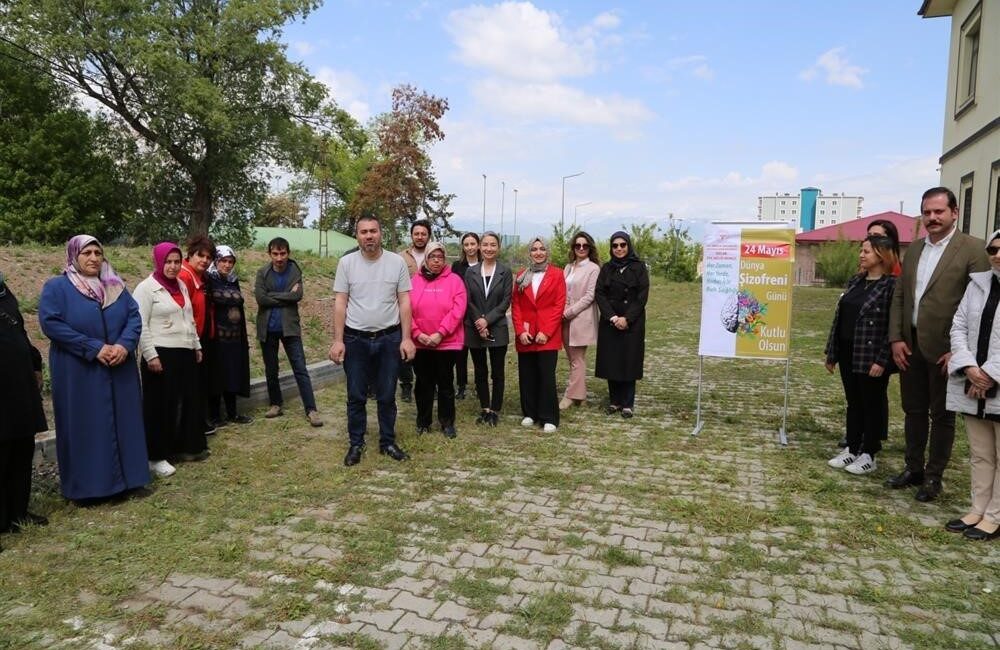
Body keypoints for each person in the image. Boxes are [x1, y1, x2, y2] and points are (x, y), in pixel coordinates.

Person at [887, 187, 990, 501]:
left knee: (942, 415)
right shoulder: (915, 249)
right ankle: (913, 467)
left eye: (938, 212)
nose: (932, 218)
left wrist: (961, 352)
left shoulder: (973, 249)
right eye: (927, 212)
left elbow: (982, 305)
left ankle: (933, 477)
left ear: (954, 212)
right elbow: (902, 296)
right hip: (911, 345)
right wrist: (896, 338)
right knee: (913, 410)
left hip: (948, 349)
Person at [39, 235, 150, 500]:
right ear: (74, 256)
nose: (93, 258)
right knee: (86, 425)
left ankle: (131, 480)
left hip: (119, 366)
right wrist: (94, 347)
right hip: (79, 370)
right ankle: (91, 488)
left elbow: (134, 318)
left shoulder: (115, 286)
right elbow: (51, 324)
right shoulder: (57, 287)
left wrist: (123, 345)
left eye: (97, 253)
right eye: (86, 253)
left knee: (126, 422)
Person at [330, 215, 415, 466]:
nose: (369, 236)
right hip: (355, 339)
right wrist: (337, 340)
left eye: (373, 231)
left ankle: (387, 441)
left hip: (389, 338)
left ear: (381, 233)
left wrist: (407, 338)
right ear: (357, 235)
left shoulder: (396, 262)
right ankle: (356, 443)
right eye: (364, 232)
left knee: (387, 394)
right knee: (356, 395)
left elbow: (404, 301)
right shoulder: (346, 264)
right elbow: (340, 302)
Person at [133, 243, 209, 477]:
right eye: (168, 262)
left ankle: (185, 447)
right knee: (160, 405)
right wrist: (150, 354)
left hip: (184, 351)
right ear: (158, 262)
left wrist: (196, 345)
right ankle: (155, 456)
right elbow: (140, 324)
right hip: (161, 353)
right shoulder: (146, 289)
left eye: (177, 261)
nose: (173, 266)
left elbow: (189, 319)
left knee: (187, 400)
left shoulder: (182, 286)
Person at [824, 236, 898, 475]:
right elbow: (839, 318)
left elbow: (893, 326)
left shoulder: (891, 286)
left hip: (871, 355)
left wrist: (882, 359)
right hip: (847, 351)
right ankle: (852, 449)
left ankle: (869, 453)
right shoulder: (856, 281)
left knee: (871, 404)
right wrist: (832, 352)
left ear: (881, 255)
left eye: (867, 251)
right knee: (853, 403)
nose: (861, 255)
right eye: (861, 250)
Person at [945, 230, 1000, 541]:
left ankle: (995, 516)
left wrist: (989, 373)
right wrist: (969, 367)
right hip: (972, 380)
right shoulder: (977, 284)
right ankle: (978, 508)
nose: (997, 255)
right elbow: (959, 325)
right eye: (992, 249)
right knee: (980, 453)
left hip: (993, 380)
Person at [1, 270, 48, 545]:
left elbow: (18, 329)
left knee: (20, 448)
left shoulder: (4, 292)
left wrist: (34, 362)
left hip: (17, 384)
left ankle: (17, 512)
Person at [255, 237, 323, 427]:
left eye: (282, 253)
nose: (279, 258)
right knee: (271, 369)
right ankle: (276, 404)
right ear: (269, 254)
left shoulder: (294, 270)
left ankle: (311, 409)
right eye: (275, 254)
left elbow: (298, 295)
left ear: (288, 253)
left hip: (290, 328)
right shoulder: (262, 272)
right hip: (267, 328)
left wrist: (273, 295)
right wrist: (286, 297)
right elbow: (261, 299)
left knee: (300, 369)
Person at [411, 242, 468, 438]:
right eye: (432, 256)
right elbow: (404, 309)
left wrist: (440, 333)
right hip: (420, 342)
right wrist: (417, 333)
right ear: (425, 259)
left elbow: (458, 310)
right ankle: (423, 421)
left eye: (440, 257)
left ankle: (447, 422)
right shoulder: (413, 281)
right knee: (423, 383)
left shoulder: (455, 281)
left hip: (446, 342)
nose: (436, 260)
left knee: (445, 383)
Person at [511, 237, 566, 433]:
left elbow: (559, 305)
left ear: (547, 252)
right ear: (529, 253)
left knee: (546, 375)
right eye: (534, 249)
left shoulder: (557, 274)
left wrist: (547, 331)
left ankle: (549, 416)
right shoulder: (521, 275)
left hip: (546, 334)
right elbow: (516, 305)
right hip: (526, 333)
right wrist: (520, 331)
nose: (538, 252)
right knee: (527, 375)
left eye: (542, 249)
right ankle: (530, 413)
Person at [595, 232, 649, 419]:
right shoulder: (607, 268)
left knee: (629, 361)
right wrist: (612, 317)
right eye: (615, 245)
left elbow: (642, 296)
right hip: (611, 322)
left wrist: (627, 319)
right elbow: (600, 293)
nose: (619, 249)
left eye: (622, 245)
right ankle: (614, 401)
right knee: (612, 361)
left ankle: (627, 403)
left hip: (631, 323)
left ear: (628, 246)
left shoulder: (639, 267)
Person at [465, 232, 512, 427]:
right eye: (485, 245)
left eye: (493, 245)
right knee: (480, 370)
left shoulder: (505, 271)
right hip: (475, 328)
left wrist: (488, 321)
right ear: (479, 247)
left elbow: (505, 301)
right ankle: (484, 407)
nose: (489, 248)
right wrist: (479, 322)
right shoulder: (471, 272)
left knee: (497, 371)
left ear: (498, 248)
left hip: (498, 327)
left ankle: (495, 409)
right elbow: (468, 300)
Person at [206, 245, 252, 426]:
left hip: (234, 338)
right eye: (223, 261)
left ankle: (233, 413)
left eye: (230, 261)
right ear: (216, 261)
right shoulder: (209, 280)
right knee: (217, 376)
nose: (227, 265)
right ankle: (215, 416)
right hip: (216, 338)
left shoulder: (233, 281)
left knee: (233, 374)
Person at [178, 235, 216, 434]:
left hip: (202, 335)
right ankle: (191, 426)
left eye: (208, 257)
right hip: (189, 339)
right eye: (200, 256)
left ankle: (198, 421)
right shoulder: (184, 276)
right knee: (190, 385)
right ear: (190, 255)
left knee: (199, 382)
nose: (204, 261)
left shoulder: (201, 276)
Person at [560, 231, 600, 410]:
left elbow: (590, 295)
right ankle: (581, 396)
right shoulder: (568, 267)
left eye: (585, 245)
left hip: (580, 317)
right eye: (578, 245)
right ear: (573, 248)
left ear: (590, 248)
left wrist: (570, 312)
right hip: (564, 317)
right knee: (573, 359)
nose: (581, 248)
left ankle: (570, 395)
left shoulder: (593, 268)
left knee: (578, 358)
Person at [397, 219, 431, 403]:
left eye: (423, 234)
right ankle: (406, 385)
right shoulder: (400, 257)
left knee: (427, 350)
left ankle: (428, 384)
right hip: (406, 308)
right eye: (416, 234)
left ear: (428, 236)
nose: (419, 237)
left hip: (428, 311)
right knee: (404, 345)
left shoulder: (435, 255)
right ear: (411, 236)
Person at [451, 232, 481, 400]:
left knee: (478, 355)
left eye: (472, 244)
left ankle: (479, 385)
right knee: (460, 355)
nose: (470, 247)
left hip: (478, 315)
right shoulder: (457, 266)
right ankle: (461, 386)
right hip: (461, 317)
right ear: (463, 247)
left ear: (478, 245)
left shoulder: (485, 264)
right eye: (466, 244)